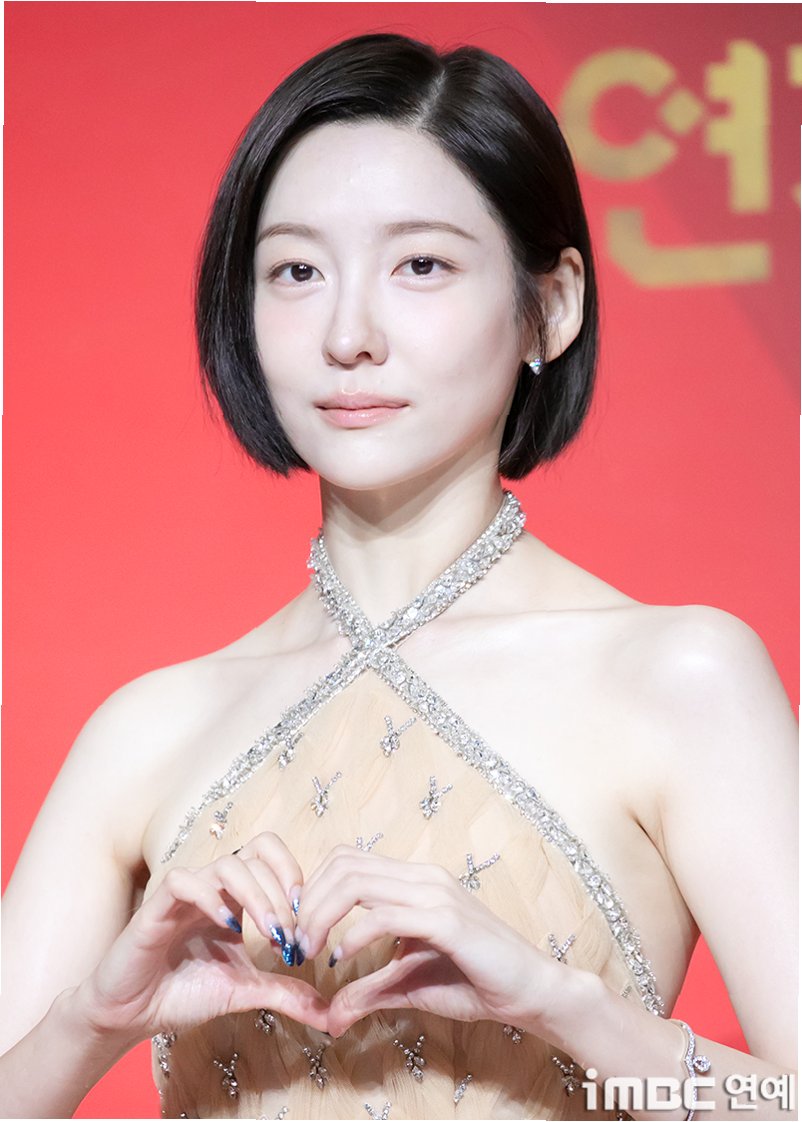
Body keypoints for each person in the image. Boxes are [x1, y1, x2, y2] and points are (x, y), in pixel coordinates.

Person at [0, 31, 796, 1121]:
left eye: (421, 265)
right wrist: (92, 1020)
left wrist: (567, 1009)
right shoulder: (146, 730)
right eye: (296, 271)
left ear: (552, 305)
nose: (348, 334)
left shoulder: (678, 677)